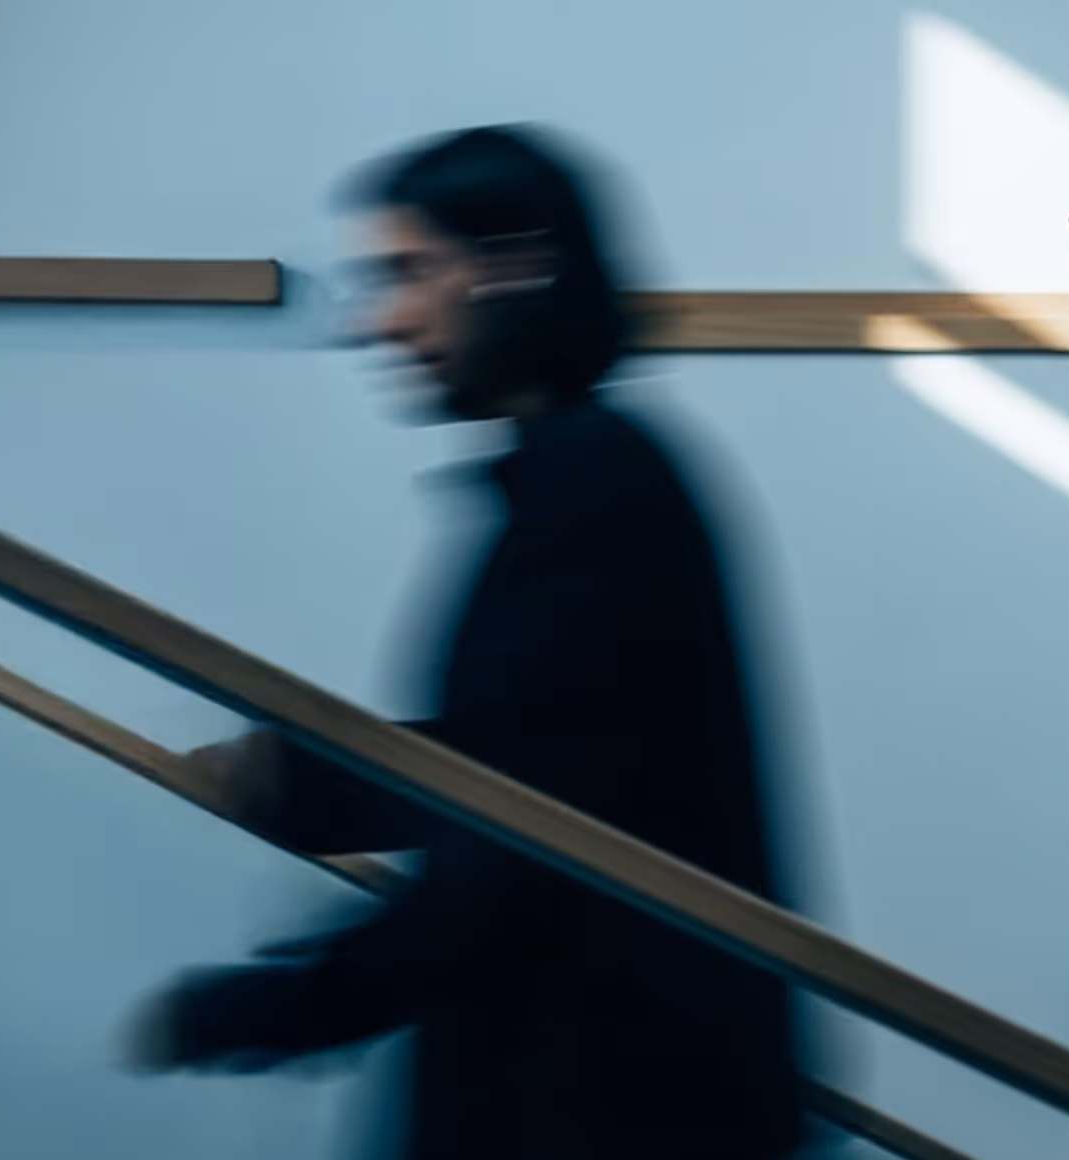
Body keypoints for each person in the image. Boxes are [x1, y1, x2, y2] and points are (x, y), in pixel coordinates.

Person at [125, 125, 803, 1160]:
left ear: (518, 265)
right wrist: (306, 784)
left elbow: (525, 828)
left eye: (409, 271)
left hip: (600, 1104)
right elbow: (545, 761)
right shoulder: (594, 473)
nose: (383, 318)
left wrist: (281, 1003)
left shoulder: (589, 489)